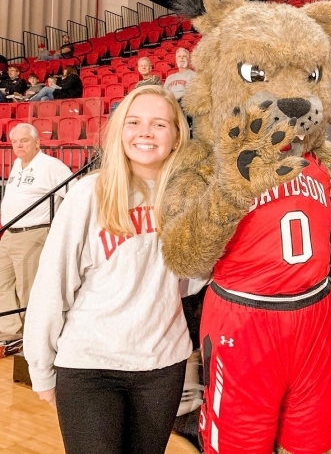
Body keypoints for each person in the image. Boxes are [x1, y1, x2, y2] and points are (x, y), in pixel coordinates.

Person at [23, 85, 195, 454]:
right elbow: (53, 284)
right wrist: (40, 366)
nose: (145, 132)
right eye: (134, 121)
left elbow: (191, 281)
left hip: (161, 366)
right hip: (90, 367)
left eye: (159, 124)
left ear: (177, 136)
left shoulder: (188, 199)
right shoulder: (90, 193)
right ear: (120, 130)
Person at [0, 124, 73, 338]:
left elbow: (74, 194)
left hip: (32, 233)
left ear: (37, 142)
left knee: (27, 287)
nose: (19, 145)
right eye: (14, 142)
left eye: (24, 140)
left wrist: (58, 227)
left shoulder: (51, 166)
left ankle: (33, 337)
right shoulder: (16, 164)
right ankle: (9, 333)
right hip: (9, 233)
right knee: (2, 283)